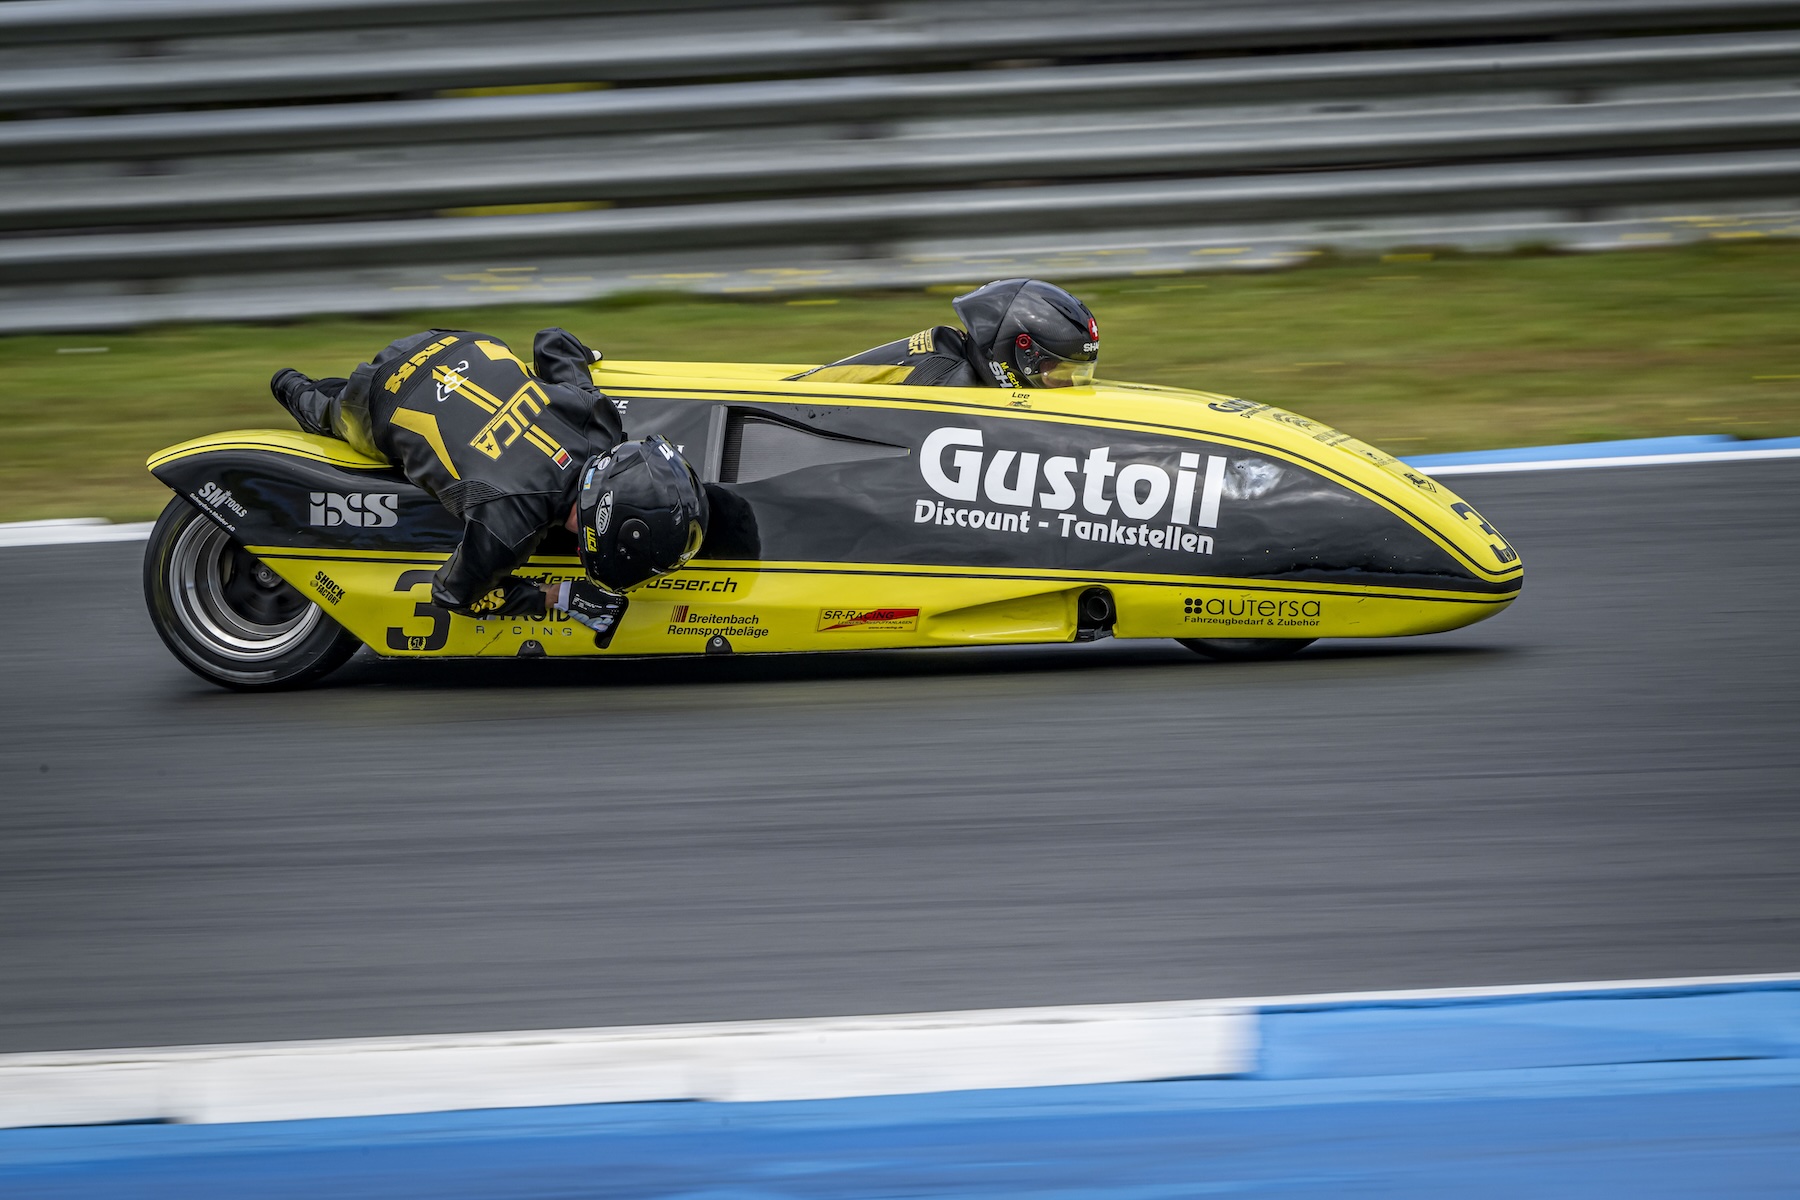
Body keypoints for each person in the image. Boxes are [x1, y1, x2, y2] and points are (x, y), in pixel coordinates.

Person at [271, 327, 707, 636]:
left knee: (346, 390)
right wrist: (557, 596)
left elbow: (553, 339)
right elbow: (454, 595)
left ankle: (333, 388)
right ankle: (289, 385)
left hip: (453, 342)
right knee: (330, 414)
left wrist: (582, 360)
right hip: (382, 398)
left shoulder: (599, 422)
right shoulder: (509, 522)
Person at [789, 278, 1100, 389]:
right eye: (1058, 370)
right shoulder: (950, 377)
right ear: (1020, 353)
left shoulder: (957, 351)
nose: (1068, 383)